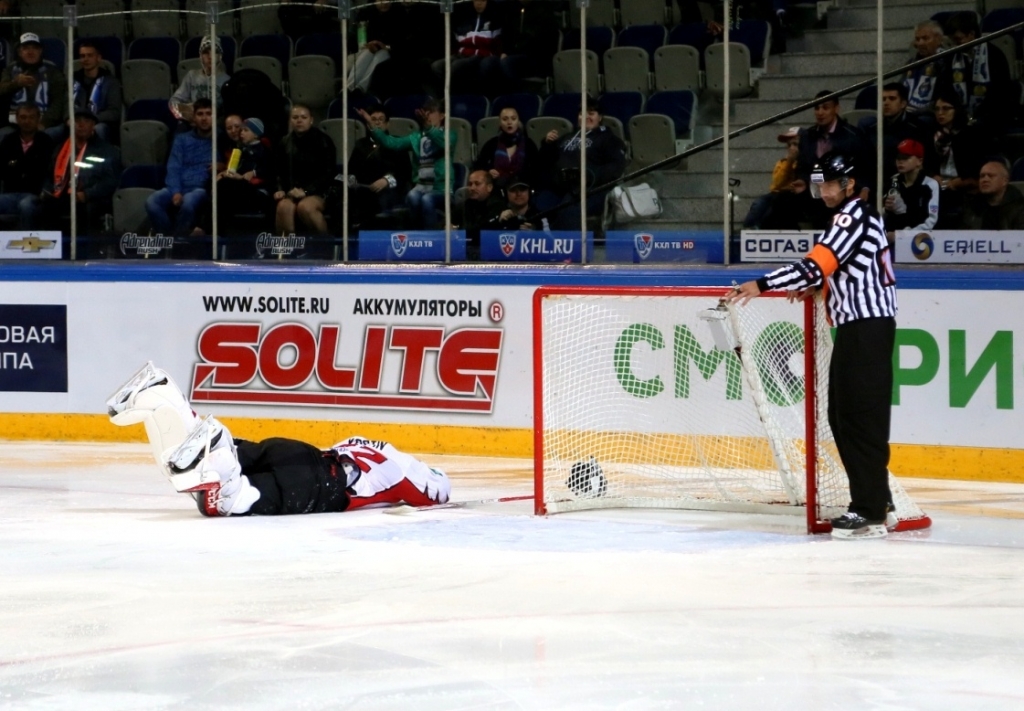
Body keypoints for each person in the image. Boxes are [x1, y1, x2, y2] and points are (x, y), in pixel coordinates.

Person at [726, 151, 897, 540]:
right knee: (844, 417)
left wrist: (763, 283)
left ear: (849, 184)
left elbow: (816, 263)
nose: (823, 191)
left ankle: (869, 510)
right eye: (820, 185)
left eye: (830, 184)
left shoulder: (853, 217)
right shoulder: (850, 217)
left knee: (858, 420)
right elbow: (844, 268)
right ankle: (878, 501)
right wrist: (820, 285)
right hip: (859, 328)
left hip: (866, 328)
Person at [106, 362, 451, 518]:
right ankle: (219, 455)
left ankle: (167, 396)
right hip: (319, 485)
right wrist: (439, 485)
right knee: (229, 502)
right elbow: (433, 491)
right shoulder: (395, 469)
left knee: (188, 469)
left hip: (299, 454)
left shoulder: (362, 445)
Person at [358, 98, 457, 230]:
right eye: (425, 112)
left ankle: (432, 239)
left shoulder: (450, 135)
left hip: (441, 189)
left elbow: (443, 143)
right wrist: (370, 124)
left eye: (431, 112)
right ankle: (416, 236)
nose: (427, 115)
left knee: (427, 200)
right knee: (412, 196)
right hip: (421, 186)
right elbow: (390, 142)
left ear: (442, 115)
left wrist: (429, 128)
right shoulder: (416, 137)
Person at [535, 100, 627, 231]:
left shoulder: (609, 139)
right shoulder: (567, 137)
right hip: (563, 188)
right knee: (540, 205)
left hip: (593, 190)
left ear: (600, 117)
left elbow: (616, 167)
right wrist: (547, 144)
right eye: (582, 113)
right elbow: (546, 161)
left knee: (568, 209)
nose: (586, 117)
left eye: (591, 113)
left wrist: (589, 176)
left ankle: (571, 248)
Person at [792, 90, 872, 228]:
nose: (820, 112)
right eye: (816, 108)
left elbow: (866, 167)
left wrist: (865, 188)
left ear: (836, 108)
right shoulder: (807, 136)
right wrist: (802, 180)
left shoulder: (853, 136)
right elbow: (802, 168)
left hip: (843, 190)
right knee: (781, 203)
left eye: (825, 107)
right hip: (815, 191)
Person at [38, 108, 120, 235]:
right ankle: (52, 250)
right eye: (77, 120)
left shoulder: (106, 150)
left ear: (93, 125)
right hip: (61, 195)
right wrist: (46, 190)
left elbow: (110, 181)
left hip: (89, 198)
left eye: (86, 121)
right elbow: (49, 174)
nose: (81, 125)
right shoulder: (61, 148)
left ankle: (82, 251)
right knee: (44, 207)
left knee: (83, 210)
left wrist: (87, 194)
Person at [331, 103, 408, 228]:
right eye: (373, 119)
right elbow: (351, 170)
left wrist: (386, 181)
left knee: (381, 202)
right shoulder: (360, 145)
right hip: (363, 189)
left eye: (381, 120)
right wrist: (351, 179)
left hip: (388, 190)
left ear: (388, 123)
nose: (377, 123)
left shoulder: (397, 143)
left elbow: (405, 173)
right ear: (367, 123)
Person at [146, 98, 214, 237]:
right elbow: (173, 167)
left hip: (200, 189)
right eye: (200, 114)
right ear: (194, 117)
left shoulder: (219, 140)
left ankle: (179, 242)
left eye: (208, 113)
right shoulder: (181, 139)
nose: (204, 118)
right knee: (151, 202)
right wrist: (176, 191)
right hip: (177, 187)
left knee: (188, 202)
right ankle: (168, 238)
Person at [938, 11, 1013, 132]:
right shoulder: (951, 57)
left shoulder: (994, 55)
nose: (955, 45)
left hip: (990, 112)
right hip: (959, 112)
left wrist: (976, 115)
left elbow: (1000, 92)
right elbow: (946, 87)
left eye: (958, 39)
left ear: (971, 34)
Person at [929, 90, 991, 228]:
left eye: (945, 108)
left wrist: (961, 181)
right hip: (941, 185)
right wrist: (934, 176)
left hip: (966, 185)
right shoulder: (933, 135)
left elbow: (978, 166)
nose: (940, 113)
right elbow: (927, 163)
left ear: (956, 109)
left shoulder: (971, 134)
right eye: (937, 109)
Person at [273, 104, 336, 236]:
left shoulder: (324, 141)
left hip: (321, 191)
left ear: (311, 120)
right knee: (284, 206)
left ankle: (324, 249)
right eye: (295, 117)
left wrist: (306, 191)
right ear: (290, 120)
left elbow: (328, 174)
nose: (299, 120)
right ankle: (286, 252)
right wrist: (279, 189)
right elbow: (278, 171)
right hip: (292, 191)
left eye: (303, 117)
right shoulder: (284, 142)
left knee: (305, 207)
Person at [858, 83, 931, 185]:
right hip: (876, 182)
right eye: (883, 99)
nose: (886, 103)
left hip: (908, 182)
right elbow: (865, 162)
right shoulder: (871, 128)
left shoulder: (918, 127)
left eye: (892, 99)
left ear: (903, 103)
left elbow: (928, 159)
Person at [0, 33, 67, 140]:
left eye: (35, 48)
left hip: (45, 123)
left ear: (40, 51)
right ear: (19, 52)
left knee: (47, 136)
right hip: (14, 124)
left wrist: (44, 123)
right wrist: (16, 84)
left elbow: (58, 102)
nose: (30, 52)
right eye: (26, 48)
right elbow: (2, 91)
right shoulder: (10, 70)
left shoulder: (53, 71)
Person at [215, 118, 274, 235]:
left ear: (256, 134)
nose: (241, 133)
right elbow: (233, 169)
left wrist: (254, 173)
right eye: (241, 130)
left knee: (224, 185)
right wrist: (226, 174)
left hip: (258, 191)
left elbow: (270, 169)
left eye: (245, 130)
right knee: (217, 184)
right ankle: (216, 231)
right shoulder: (239, 150)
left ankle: (214, 230)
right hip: (240, 186)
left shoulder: (264, 149)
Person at [433, 0, 504, 97]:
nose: (479, 3)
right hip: (462, 53)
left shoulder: (494, 19)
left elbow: (497, 41)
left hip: (481, 54)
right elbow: (456, 39)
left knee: (456, 66)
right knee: (436, 66)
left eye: (482, 1)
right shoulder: (464, 18)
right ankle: (441, 98)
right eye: (476, 0)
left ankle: (453, 98)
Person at [0, 102, 53, 229]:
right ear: (17, 119)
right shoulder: (8, 140)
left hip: (35, 195)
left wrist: (16, 165)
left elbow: (47, 171)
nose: (27, 121)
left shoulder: (46, 141)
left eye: (31, 117)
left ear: (38, 119)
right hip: (10, 194)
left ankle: (27, 244)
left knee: (26, 205)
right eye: (23, 117)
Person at [743, 126, 801, 230]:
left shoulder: (804, 163)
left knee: (772, 209)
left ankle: (760, 227)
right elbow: (777, 183)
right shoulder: (782, 163)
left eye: (795, 144)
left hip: (791, 197)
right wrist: (789, 162)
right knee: (759, 203)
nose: (791, 148)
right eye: (789, 145)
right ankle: (749, 227)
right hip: (777, 193)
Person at [498, 0, 560, 94]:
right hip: (517, 55)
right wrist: (505, 52)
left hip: (537, 59)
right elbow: (507, 35)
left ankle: (516, 98)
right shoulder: (512, 10)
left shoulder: (544, 12)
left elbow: (544, 42)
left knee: (507, 64)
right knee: (490, 64)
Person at [883, 139, 939, 238]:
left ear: (919, 161)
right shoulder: (892, 181)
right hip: (888, 238)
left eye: (906, 157)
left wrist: (902, 236)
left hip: (918, 242)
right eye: (898, 157)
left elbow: (930, 221)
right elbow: (879, 214)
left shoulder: (930, 185)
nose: (900, 161)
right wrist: (886, 210)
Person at [473, 106, 538, 192]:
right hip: (497, 189)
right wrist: (488, 172)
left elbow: (536, 168)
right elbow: (479, 166)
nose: (509, 122)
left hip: (523, 189)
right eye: (505, 119)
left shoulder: (528, 144)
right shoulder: (491, 144)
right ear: (500, 122)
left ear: (518, 121)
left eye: (513, 119)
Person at [169, 36, 229, 126]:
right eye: (206, 53)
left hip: (216, 126)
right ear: (200, 56)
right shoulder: (191, 76)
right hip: (193, 124)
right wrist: (185, 110)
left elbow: (228, 111)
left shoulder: (227, 80)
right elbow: (173, 101)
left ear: (220, 56)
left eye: (214, 52)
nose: (210, 56)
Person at [71, 40, 122, 144]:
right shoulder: (73, 80)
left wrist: (90, 121)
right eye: (82, 56)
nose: (86, 59)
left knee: (100, 129)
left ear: (98, 58)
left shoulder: (111, 82)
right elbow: (65, 104)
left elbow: (114, 112)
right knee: (52, 132)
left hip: (99, 123)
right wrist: (68, 118)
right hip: (75, 122)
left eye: (90, 55)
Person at [959, 159, 1024, 231]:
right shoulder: (973, 206)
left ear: (1005, 181)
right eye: (982, 176)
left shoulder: (1020, 208)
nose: (985, 179)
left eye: (991, 176)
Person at [903, 20, 948, 115]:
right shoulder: (911, 63)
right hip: (905, 112)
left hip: (931, 114)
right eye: (917, 39)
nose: (920, 43)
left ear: (939, 39)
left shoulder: (947, 61)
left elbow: (942, 97)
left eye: (925, 38)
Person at [454, 169, 505, 244]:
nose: (472, 188)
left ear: (489, 187)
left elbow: (482, 231)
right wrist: (446, 226)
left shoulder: (497, 206)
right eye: (470, 184)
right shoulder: (465, 204)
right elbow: (443, 223)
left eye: (477, 184)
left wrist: (458, 231)